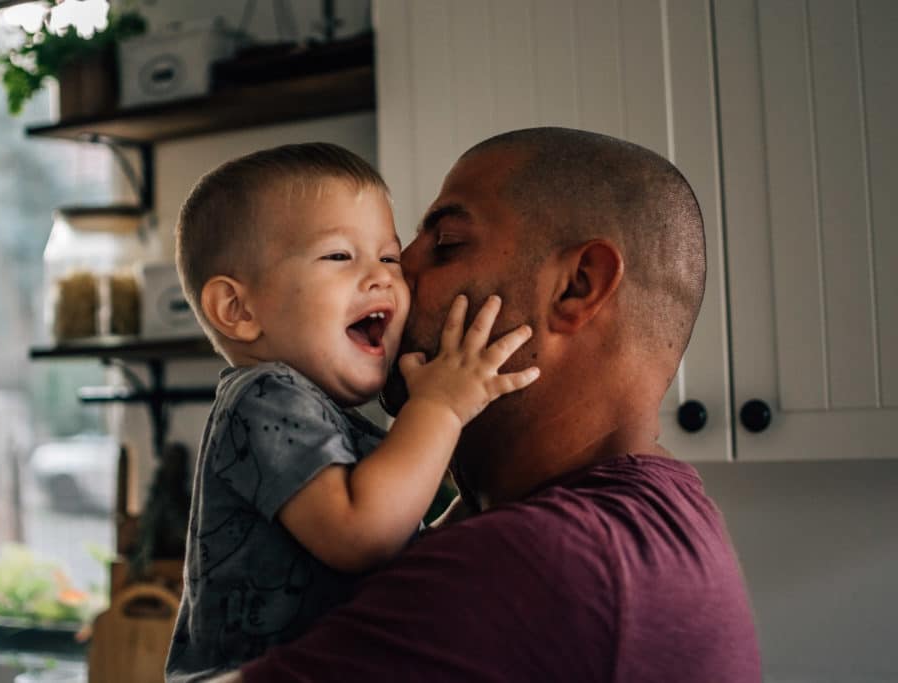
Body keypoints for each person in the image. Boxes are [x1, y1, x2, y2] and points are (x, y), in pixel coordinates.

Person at [210, 127, 762, 682]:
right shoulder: (660, 514)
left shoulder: (537, 564)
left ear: (576, 287)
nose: (397, 274)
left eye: (446, 243)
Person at [166, 142, 539, 680]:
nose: (385, 277)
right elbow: (361, 535)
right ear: (239, 309)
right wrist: (438, 407)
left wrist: (477, 507)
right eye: (340, 256)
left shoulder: (323, 415)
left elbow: (395, 561)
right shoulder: (263, 394)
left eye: (389, 256)